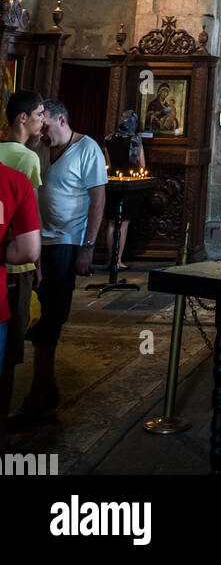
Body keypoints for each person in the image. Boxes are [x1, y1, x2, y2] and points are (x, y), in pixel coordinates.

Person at [10, 99, 106, 428]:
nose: (43, 131)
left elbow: (98, 199)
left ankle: (37, 397)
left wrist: (88, 247)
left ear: (62, 120)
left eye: (46, 126)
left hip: (67, 242)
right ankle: (46, 389)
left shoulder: (88, 149)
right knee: (38, 317)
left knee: (51, 318)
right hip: (39, 241)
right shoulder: (38, 148)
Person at [0, 92, 44, 448]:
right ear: (22, 119)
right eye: (39, 114)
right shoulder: (26, 160)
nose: (43, 121)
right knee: (10, 351)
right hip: (14, 263)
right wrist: (36, 263)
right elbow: (29, 223)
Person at [102, 111, 147, 270]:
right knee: (124, 223)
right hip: (129, 185)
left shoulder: (108, 139)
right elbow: (141, 165)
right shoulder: (135, 140)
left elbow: (107, 163)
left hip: (112, 184)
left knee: (111, 223)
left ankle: (110, 259)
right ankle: (118, 260)